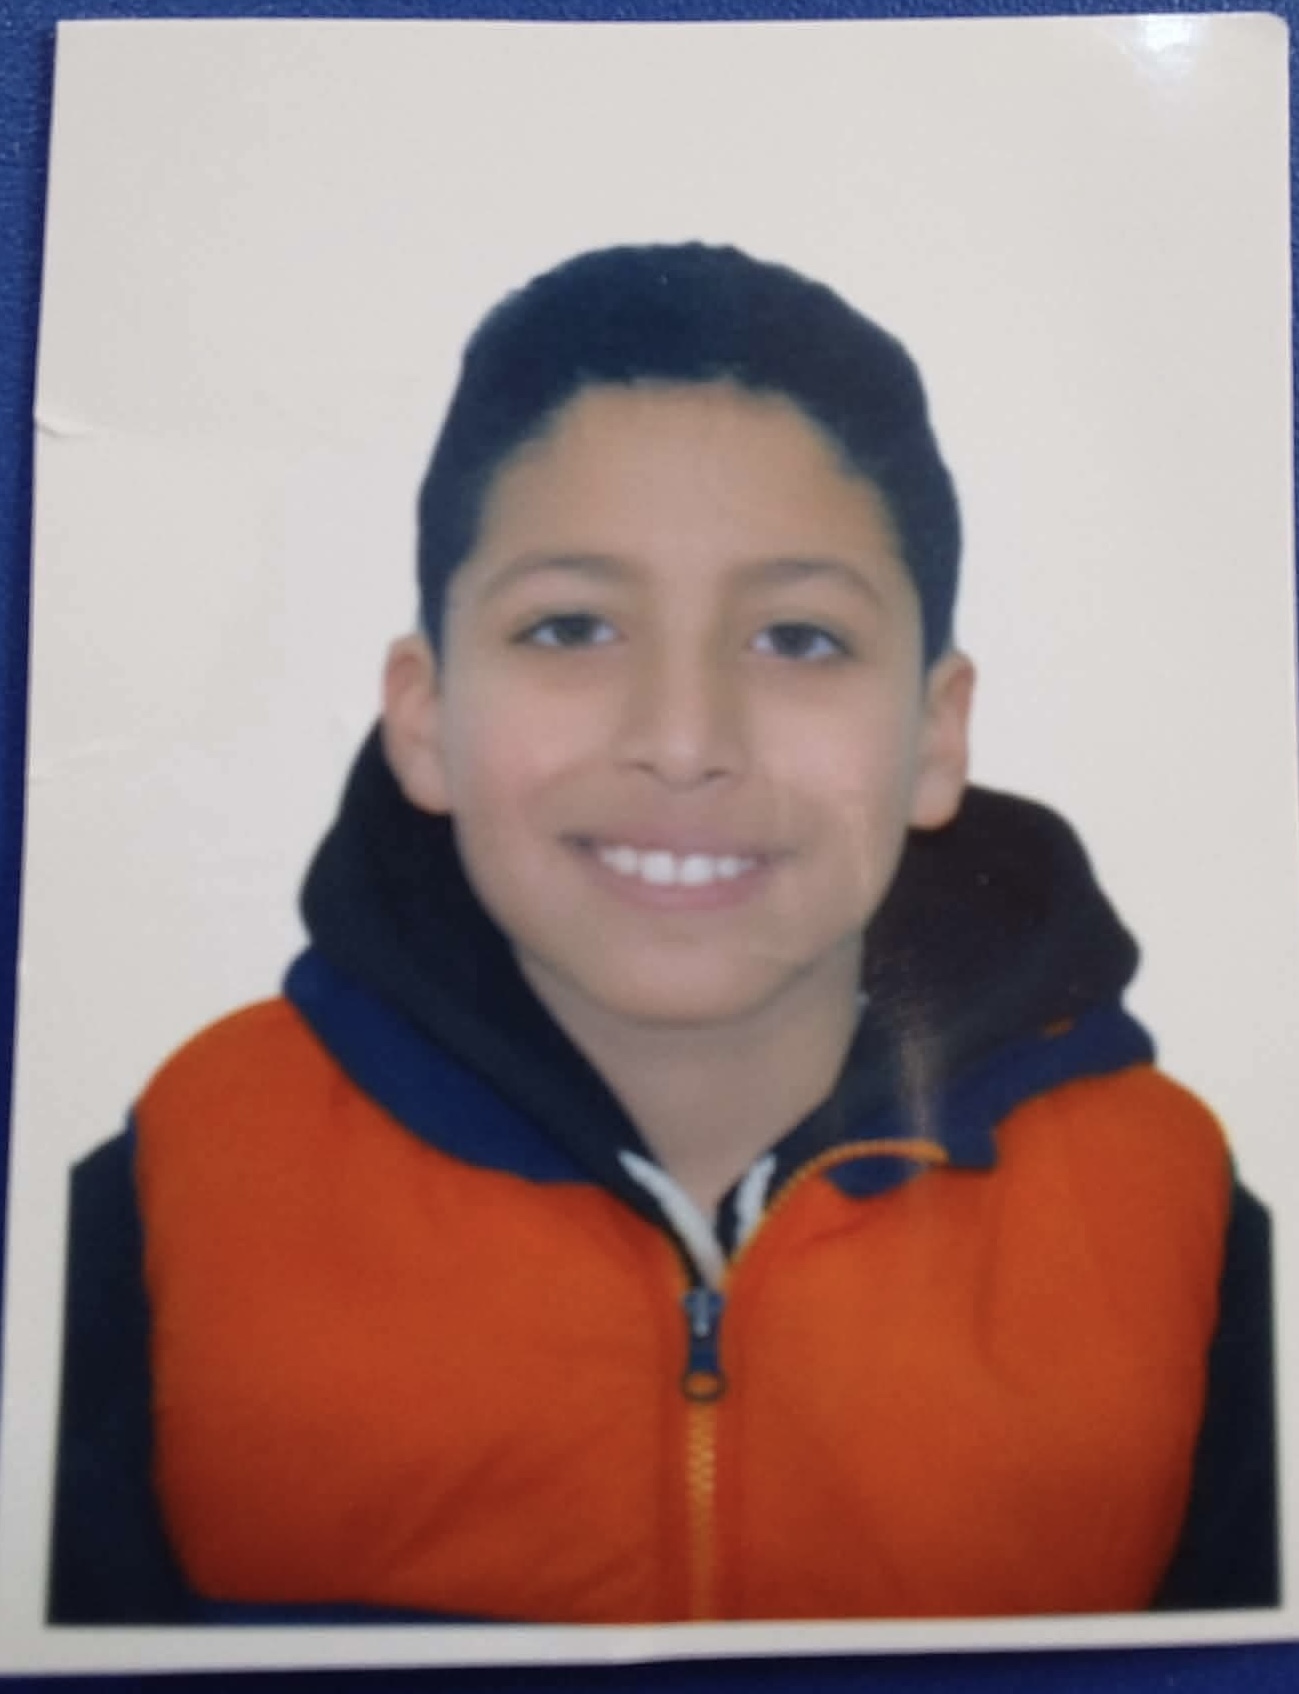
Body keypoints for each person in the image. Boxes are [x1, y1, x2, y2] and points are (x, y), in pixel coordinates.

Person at [49, 244, 1276, 1626]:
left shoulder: (1168, 1216)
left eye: (798, 639)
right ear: (424, 713)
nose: (684, 739)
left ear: (935, 735)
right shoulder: (183, 1182)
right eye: (573, 626)